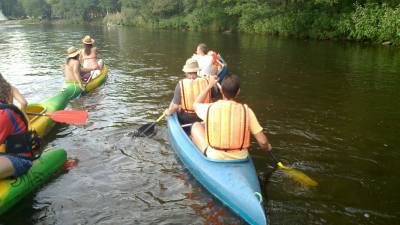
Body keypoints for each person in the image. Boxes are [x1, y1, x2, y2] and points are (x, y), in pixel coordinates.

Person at [190, 74, 272, 160]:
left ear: (221, 90)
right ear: (238, 92)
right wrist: (268, 147)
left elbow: (195, 104)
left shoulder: (209, 108)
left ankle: (202, 156)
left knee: (196, 126)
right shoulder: (247, 111)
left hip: (215, 156)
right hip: (240, 157)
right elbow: (263, 142)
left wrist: (209, 86)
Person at [0, 73, 40, 179]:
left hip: (19, 158)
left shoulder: (4, 113)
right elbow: (23, 103)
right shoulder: (10, 89)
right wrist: (22, 113)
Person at [163, 58, 213, 133]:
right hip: (203, 118)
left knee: (179, 109)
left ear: (186, 73)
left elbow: (175, 107)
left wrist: (168, 112)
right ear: (197, 71)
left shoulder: (181, 85)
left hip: (187, 119)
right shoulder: (208, 82)